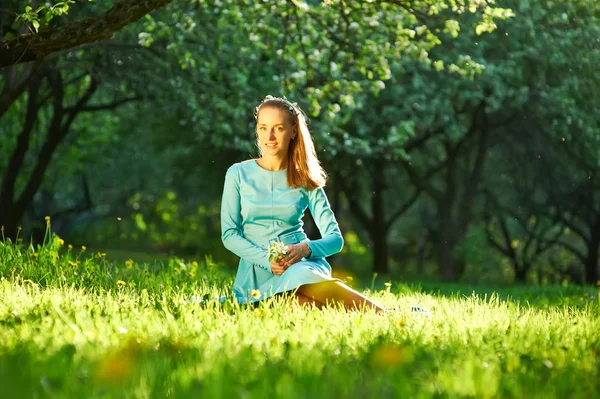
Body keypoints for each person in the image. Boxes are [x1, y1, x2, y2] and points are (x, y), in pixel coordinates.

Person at [220, 95, 386, 312]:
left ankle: (385, 315)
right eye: (263, 128)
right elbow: (229, 235)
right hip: (256, 275)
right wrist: (265, 260)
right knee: (300, 305)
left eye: (278, 128)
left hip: (300, 267)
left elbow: (335, 240)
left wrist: (306, 248)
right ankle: (377, 316)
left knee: (299, 276)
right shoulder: (237, 173)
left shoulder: (305, 178)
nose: (269, 136)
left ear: (293, 131)